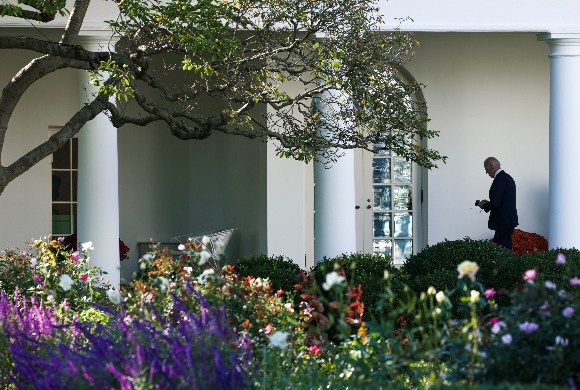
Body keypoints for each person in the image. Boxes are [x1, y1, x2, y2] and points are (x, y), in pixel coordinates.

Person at [477, 157, 518, 249]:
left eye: (486, 169)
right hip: (507, 220)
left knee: (503, 249)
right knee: (497, 247)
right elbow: (502, 200)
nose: (486, 172)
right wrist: (488, 203)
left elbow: (495, 203)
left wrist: (484, 205)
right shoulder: (507, 177)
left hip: (503, 221)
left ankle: (507, 263)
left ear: (491, 167)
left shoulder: (499, 180)